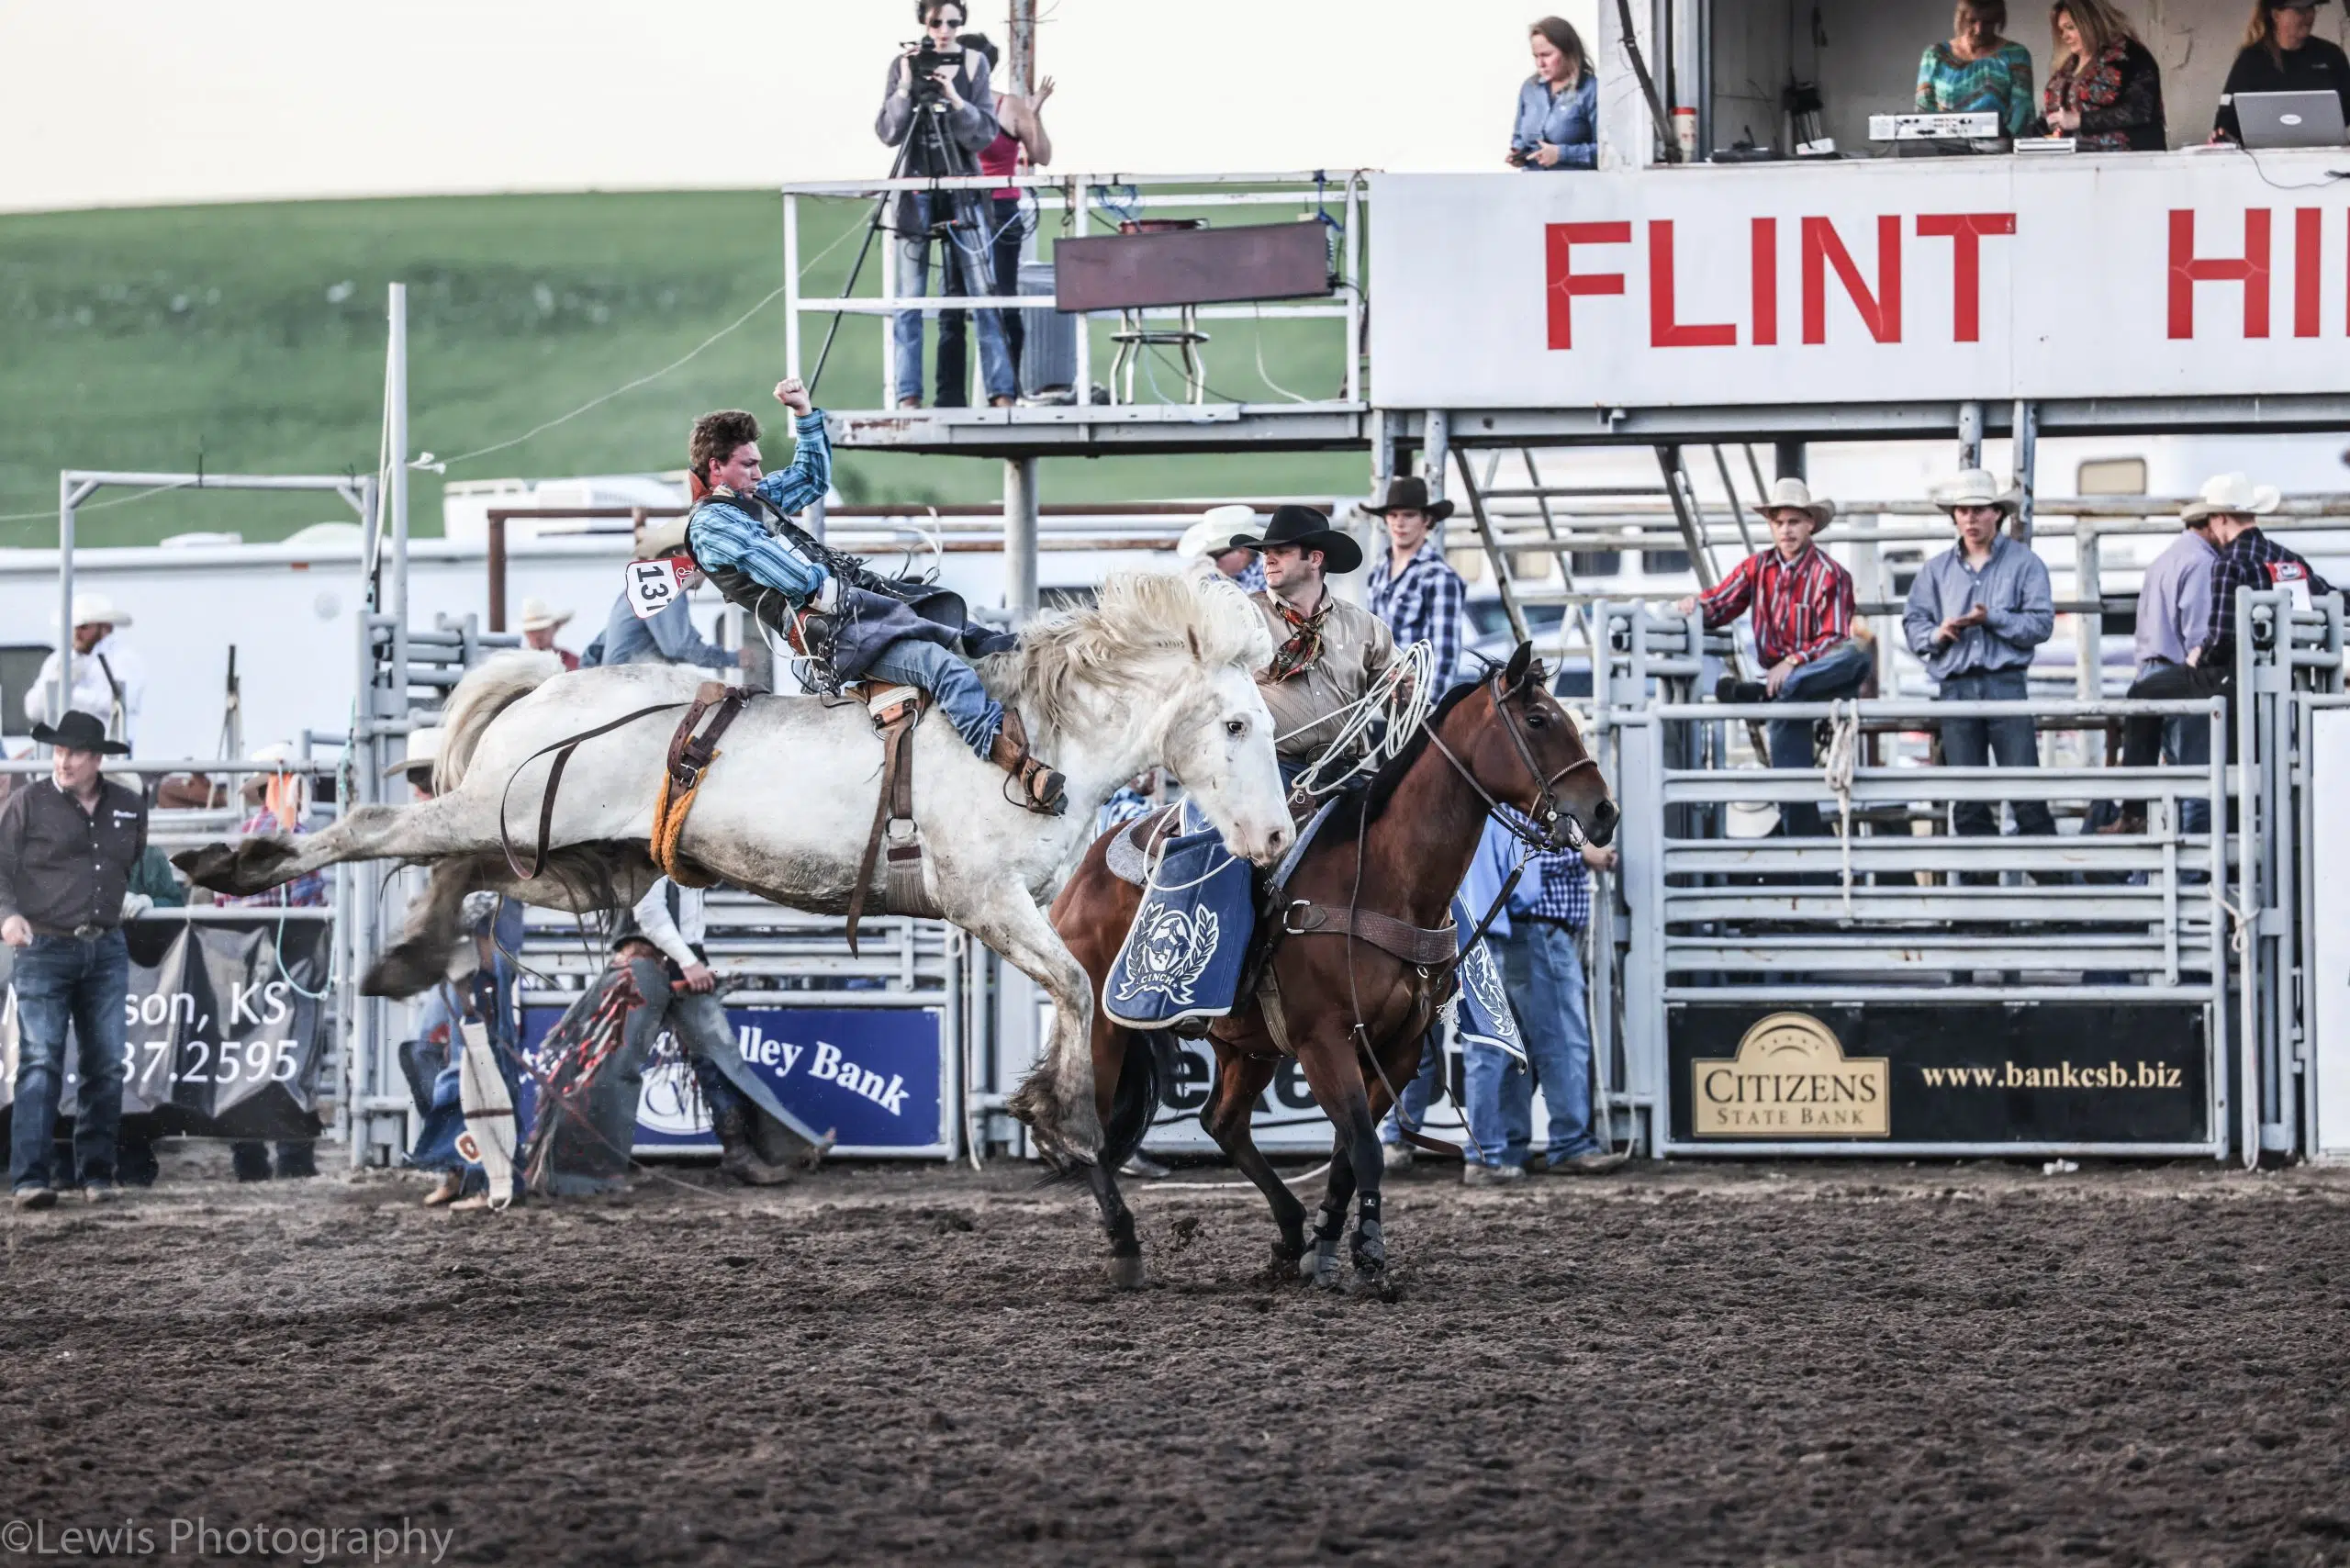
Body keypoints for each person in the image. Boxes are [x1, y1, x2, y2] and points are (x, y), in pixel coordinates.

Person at [684, 383, 1064, 812]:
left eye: (758, 464)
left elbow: (811, 479)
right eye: (747, 465)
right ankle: (1016, 765)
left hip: (858, 608)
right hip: (835, 636)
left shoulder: (752, 501)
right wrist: (828, 586)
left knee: (969, 630)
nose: (757, 473)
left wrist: (805, 414)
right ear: (716, 468)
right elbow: (787, 575)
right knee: (942, 668)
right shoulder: (711, 524)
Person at [2114, 475, 2335, 826]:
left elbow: (2220, 637)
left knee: (2143, 694)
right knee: (2246, 767)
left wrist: (2199, 655)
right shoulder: (2285, 558)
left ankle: (2134, 808)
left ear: (2219, 519)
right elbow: (2331, 600)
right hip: (2284, 678)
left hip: (2232, 676)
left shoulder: (2228, 562)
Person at [0, 711, 146, 1209]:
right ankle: (30, 1178)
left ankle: (96, 1174)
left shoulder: (128, 805)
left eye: (74, 752)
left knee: (105, 1063)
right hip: (43, 944)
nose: (62, 761)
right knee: (41, 1061)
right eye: (58, 752)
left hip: (104, 945)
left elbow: (132, 862)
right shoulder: (27, 803)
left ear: (96, 759)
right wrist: (7, 916)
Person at [1676, 478, 1867, 838]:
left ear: (1810, 524)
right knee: (1789, 787)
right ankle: (1806, 866)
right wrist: (1693, 606)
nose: (1786, 529)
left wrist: (1793, 662)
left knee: (1855, 657)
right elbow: (1719, 605)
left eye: (1794, 522)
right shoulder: (1757, 568)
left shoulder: (1832, 575)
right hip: (1785, 688)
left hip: (1810, 680)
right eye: (1779, 522)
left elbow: (1835, 638)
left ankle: (1766, 692)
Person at [621, 877, 832, 1184]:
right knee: (621, 1062)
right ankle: (587, 1166)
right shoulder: (651, 847)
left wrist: (691, 960)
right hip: (647, 960)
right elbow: (649, 913)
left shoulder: (678, 856)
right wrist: (689, 961)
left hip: (674, 957)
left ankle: (744, 1152)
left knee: (715, 1059)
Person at [1457, 812, 1626, 1183]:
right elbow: (1526, 867)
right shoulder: (1517, 807)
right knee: (1562, 1041)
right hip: (1538, 928)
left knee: (1510, 1048)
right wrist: (1580, 854)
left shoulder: (1484, 808)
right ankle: (1569, 1143)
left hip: (1506, 933)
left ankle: (1507, 1147)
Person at [1903, 470, 2058, 846]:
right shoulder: (1936, 570)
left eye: (1978, 510)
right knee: (1968, 796)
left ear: (1996, 514)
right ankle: (1987, 882)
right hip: (1958, 685)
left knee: (2024, 791)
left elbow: (2041, 625)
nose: (1970, 519)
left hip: (2002, 682)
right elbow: (1914, 624)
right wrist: (1937, 635)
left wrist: (1992, 619)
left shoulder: (2024, 563)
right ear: (1955, 516)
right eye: (1964, 511)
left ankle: (2047, 881)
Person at [876, 0, 1015, 409]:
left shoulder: (974, 65)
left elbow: (984, 135)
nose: (945, 30)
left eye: (953, 22)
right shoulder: (904, 63)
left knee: (982, 294)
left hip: (963, 188)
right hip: (915, 188)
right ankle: (908, 395)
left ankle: (1001, 391)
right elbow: (888, 131)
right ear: (923, 21)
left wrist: (955, 97)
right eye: (937, 22)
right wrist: (905, 86)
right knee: (909, 298)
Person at [218, 743, 325, 1182]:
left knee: (248, 1051)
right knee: (294, 1052)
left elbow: (222, 904)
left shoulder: (238, 840)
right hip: (293, 958)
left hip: (245, 960)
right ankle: (294, 1157)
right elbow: (311, 899)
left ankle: (248, 1158)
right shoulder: (300, 840)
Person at [1229, 506, 1396, 782]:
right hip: (1270, 774)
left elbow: (1404, 708)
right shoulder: (1242, 618)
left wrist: (1403, 695)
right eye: (1266, 553)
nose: (1269, 560)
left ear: (1315, 558)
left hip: (1347, 772)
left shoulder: (1365, 626)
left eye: (1282, 552)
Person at [936, 32, 1054, 400]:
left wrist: (1032, 116)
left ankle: (1007, 389)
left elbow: (1042, 154)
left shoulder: (1009, 106)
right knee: (953, 303)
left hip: (997, 210)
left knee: (1000, 298)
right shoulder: (943, 105)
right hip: (958, 208)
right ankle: (953, 396)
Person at [2098, 495, 2221, 835]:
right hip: (2181, 675)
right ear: (2213, 524)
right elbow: (2199, 635)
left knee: (2169, 777)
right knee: (2198, 776)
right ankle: (2197, 872)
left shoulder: (2164, 560)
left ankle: (2158, 871)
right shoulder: (2202, 564)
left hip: (2151, 672)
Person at [582, 523, 743, 673]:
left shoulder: (639, 588)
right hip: (633, 687)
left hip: (616, 685)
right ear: (679, 555)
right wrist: (734, 659)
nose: (706, 565)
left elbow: (595, 650)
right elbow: (680, 647)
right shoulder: (667, 586)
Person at [1364, 475, 1469, 689]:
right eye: (1393, 515)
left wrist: (1425, 708)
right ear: (1385, 519)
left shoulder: (1440, 577)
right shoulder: (1378, 571)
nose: (1399, 522)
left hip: (1415, 703)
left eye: (1409, 515)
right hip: (1377, 699)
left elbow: (1444, 655)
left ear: (1426, 520)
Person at [2212, 0, 2350, 143]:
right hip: (2265, 157)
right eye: (2299, 10)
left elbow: (2347, 110)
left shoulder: (2331, 55)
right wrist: (2222, 136)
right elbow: (2226, 118)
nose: (2308, 16)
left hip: (2326, 153)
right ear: (2276, 15)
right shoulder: (2251, 59)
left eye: (2311, 8)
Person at [26, 592, 145, 752]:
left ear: (105, 628)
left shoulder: (124, 660)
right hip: (64, 748)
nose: (76, 633)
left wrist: (68, 692)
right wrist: (58, 685)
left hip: (108, 749)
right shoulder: (58, 660)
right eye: (73, 627)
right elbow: (33, 709)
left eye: (83, 627)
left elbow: (121, 703)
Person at [2039, 0, 2166, 149]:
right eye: (2061, 31)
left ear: (2091, 23)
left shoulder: (2129, 56)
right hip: (2073, 161)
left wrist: (2080, 120)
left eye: (2070, 28)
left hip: (2126, 161)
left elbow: (2139, 110)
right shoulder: (2068, 66)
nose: (2064, 37)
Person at [1917, 0, 2039, 138]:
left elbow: (2022, 111)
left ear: (1998, 20)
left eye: (1988, 22)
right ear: (1961, 18)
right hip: (1944, 148)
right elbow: (1924, 111)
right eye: (1972, 21)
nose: (1979, 30)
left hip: (2000, 149)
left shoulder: (2016, 55)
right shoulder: (1935, 55)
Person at [1510, 17, 1598, 170]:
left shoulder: (1591, 90)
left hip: (1577, 188)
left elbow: (1610, 153)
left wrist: (1562, 154)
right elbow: (1519, 138)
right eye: (1536, 56)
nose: (1540, 64)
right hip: (1532, 185)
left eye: (1546, 55)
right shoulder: (1530, 88)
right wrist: (1518, 153)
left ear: (1568, 52)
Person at [1175, 506, 1266, 594]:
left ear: (1242, 551)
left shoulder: (1269, 578)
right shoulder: (1214, 577)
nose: (1213, 562)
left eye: (1216, 556)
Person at [519, 599, 579, 671]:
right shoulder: (518, 665)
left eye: (542, 629)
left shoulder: (574, 663)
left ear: (556, 627)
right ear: (526, 633)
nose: (537, 635)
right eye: (532, 631)